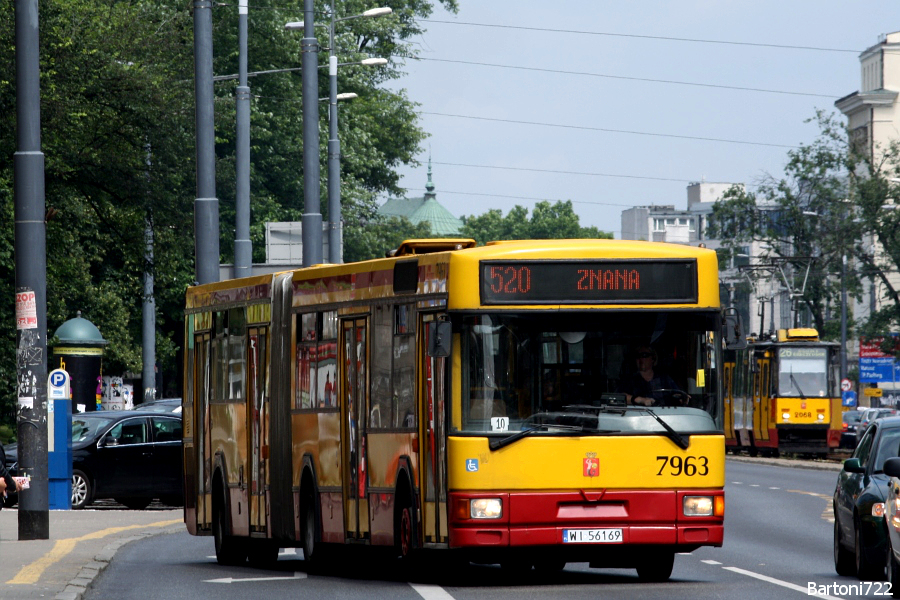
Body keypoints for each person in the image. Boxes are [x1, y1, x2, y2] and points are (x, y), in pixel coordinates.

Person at [617, 346, 686, 407]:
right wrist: (640, 400)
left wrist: (682, 397)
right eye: (638, 356)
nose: (641, 359)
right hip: (638, 416)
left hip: (664, 416)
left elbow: (677, 393)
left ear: (653, 358)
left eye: (644, 355)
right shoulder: (629, 380)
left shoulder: (664, 378)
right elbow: (619, 397)